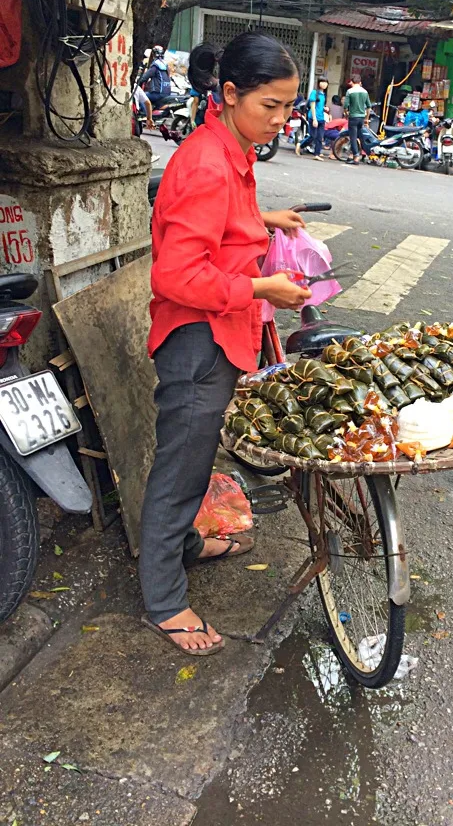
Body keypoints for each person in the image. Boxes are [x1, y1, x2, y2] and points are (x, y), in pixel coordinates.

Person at [140, 32, 312, 656]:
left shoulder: (231, 147)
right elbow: (175, 275)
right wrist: (260, 285)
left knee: (195, 454)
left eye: (289, 107)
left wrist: (266, 221)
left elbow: (222, 221)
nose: (281, 120)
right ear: (230, 92)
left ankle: (185, 544)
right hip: (196, 338)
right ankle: (163, 600)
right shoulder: (208, 161)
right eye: (270, 106)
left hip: (220, 332)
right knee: (180, 469)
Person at [187, 42, 222, 127]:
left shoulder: (200, 82)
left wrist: (192, 120)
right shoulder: (223, 87)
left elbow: (195, 102)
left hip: (204, 122)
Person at [345, 76, 372, 165]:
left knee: (353, 138)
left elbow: (345, 106)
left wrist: (346, 114)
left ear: (352, 82)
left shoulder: (350, 91)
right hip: (361, 117)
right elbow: (369, 106)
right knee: (360, 137)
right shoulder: (365, 92)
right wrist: (366, 118)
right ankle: (362, 154)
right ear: (360, 82)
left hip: (353, 117)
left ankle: (356, 156)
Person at [306, 76, 329, 162]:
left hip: (321, 118)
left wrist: (324, 108)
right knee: (312, 136)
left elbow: (320, 107)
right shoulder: (314, 93)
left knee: (320, 137)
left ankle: (317, 154)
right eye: (322, 82)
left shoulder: (324, 95)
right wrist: (314, 119)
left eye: (326, 82)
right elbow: (312, 107)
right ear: (318, 83)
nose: (324, 84)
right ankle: (300, 145)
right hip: (313, 117)